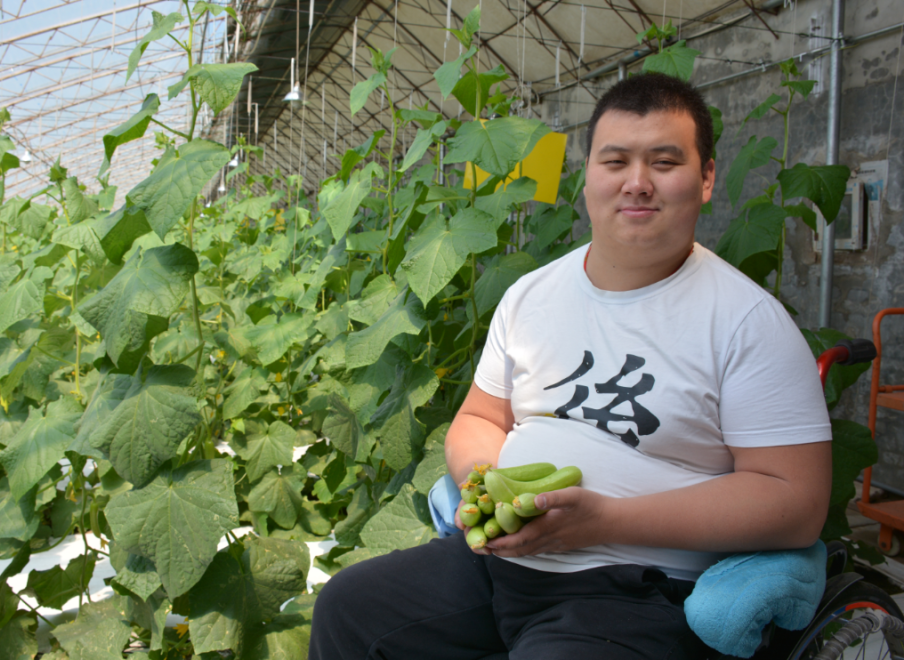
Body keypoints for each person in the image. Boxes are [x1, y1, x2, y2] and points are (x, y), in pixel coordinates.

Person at [307, 72, 832, 660]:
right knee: (349, 610)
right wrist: (491, 490)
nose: (637, 183)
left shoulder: (746, 322)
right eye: (615, 161)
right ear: (587, 177)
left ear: (706, 177)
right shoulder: (531, 297)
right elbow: (480, 418)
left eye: (664, 162)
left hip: (636, 586)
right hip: (498, 561)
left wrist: (605, 521)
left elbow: (796, 503)